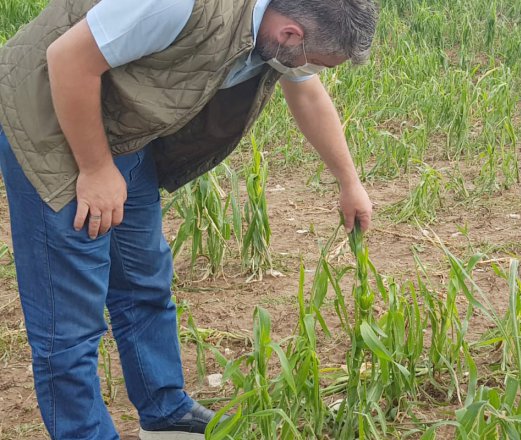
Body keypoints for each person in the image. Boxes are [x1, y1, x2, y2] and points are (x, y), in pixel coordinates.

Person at [0, 0, 377, 438]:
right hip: (47, 111)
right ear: (290, 34)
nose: (314, 72)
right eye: (320, 62)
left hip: (119, 125)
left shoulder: (280, 30)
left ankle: (164, 411)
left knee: (144, 281)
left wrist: (349, 182)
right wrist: (95, 168)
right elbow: (66, 59)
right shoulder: (179, 5)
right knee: (69, 315)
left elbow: (306, 90)